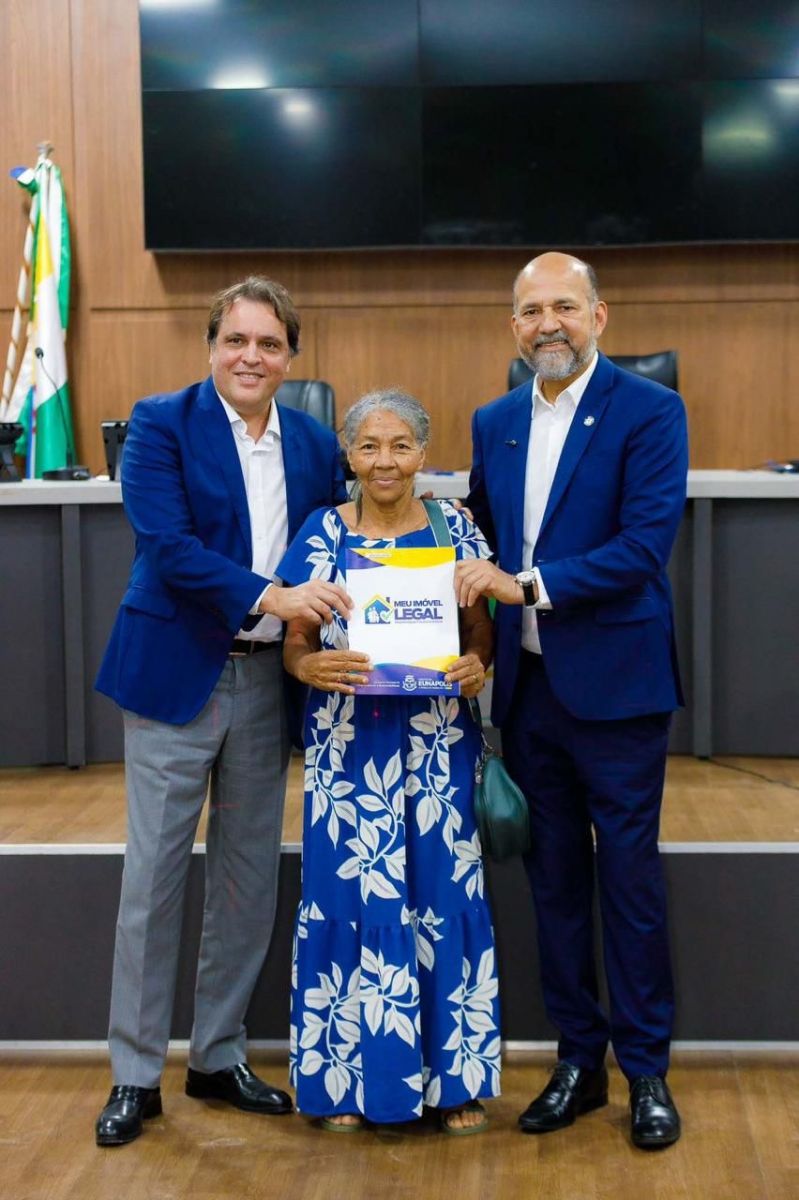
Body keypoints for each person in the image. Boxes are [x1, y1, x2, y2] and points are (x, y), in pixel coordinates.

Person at [93, 276, 351, 1146]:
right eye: (236, 340)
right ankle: (135, 1074)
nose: (251, 356)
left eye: (269, 344)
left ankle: (216, 1054)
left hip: (268, 683)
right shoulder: (160, 423)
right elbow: (167, 548)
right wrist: (272, 596)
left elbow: (350, 532)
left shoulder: (313, 442)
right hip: (175, 674)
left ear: (291, 357)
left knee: (245, 879)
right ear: (211, 346)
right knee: (154, 880)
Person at [455, 252, 687, 1149]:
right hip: (529, 693)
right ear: (512, 326)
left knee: (628, 880)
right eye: (529, 310)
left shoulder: (650, 410)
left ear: (598, 315)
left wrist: (525, 586)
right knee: (551, 883)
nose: (545, 323)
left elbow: (642, 546)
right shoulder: (494, 420)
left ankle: (647, 1070)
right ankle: (577, 1063)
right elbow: (476, 540)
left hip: (618, 691)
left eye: (562, 305)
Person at [278, 388, 500, 1134]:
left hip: (436, 745)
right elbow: (296, 641)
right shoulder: (320, 532)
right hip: (347, 749)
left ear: (422, 454)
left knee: (443, 896)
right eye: (369, 445)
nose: (384, 461)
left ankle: (454, 1084)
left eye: (400, 445)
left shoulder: (455, 528)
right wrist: (306, 668)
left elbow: (480, 629)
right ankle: (344, 1085)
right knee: (346, 901)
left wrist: (477, 663)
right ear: (348, 454)